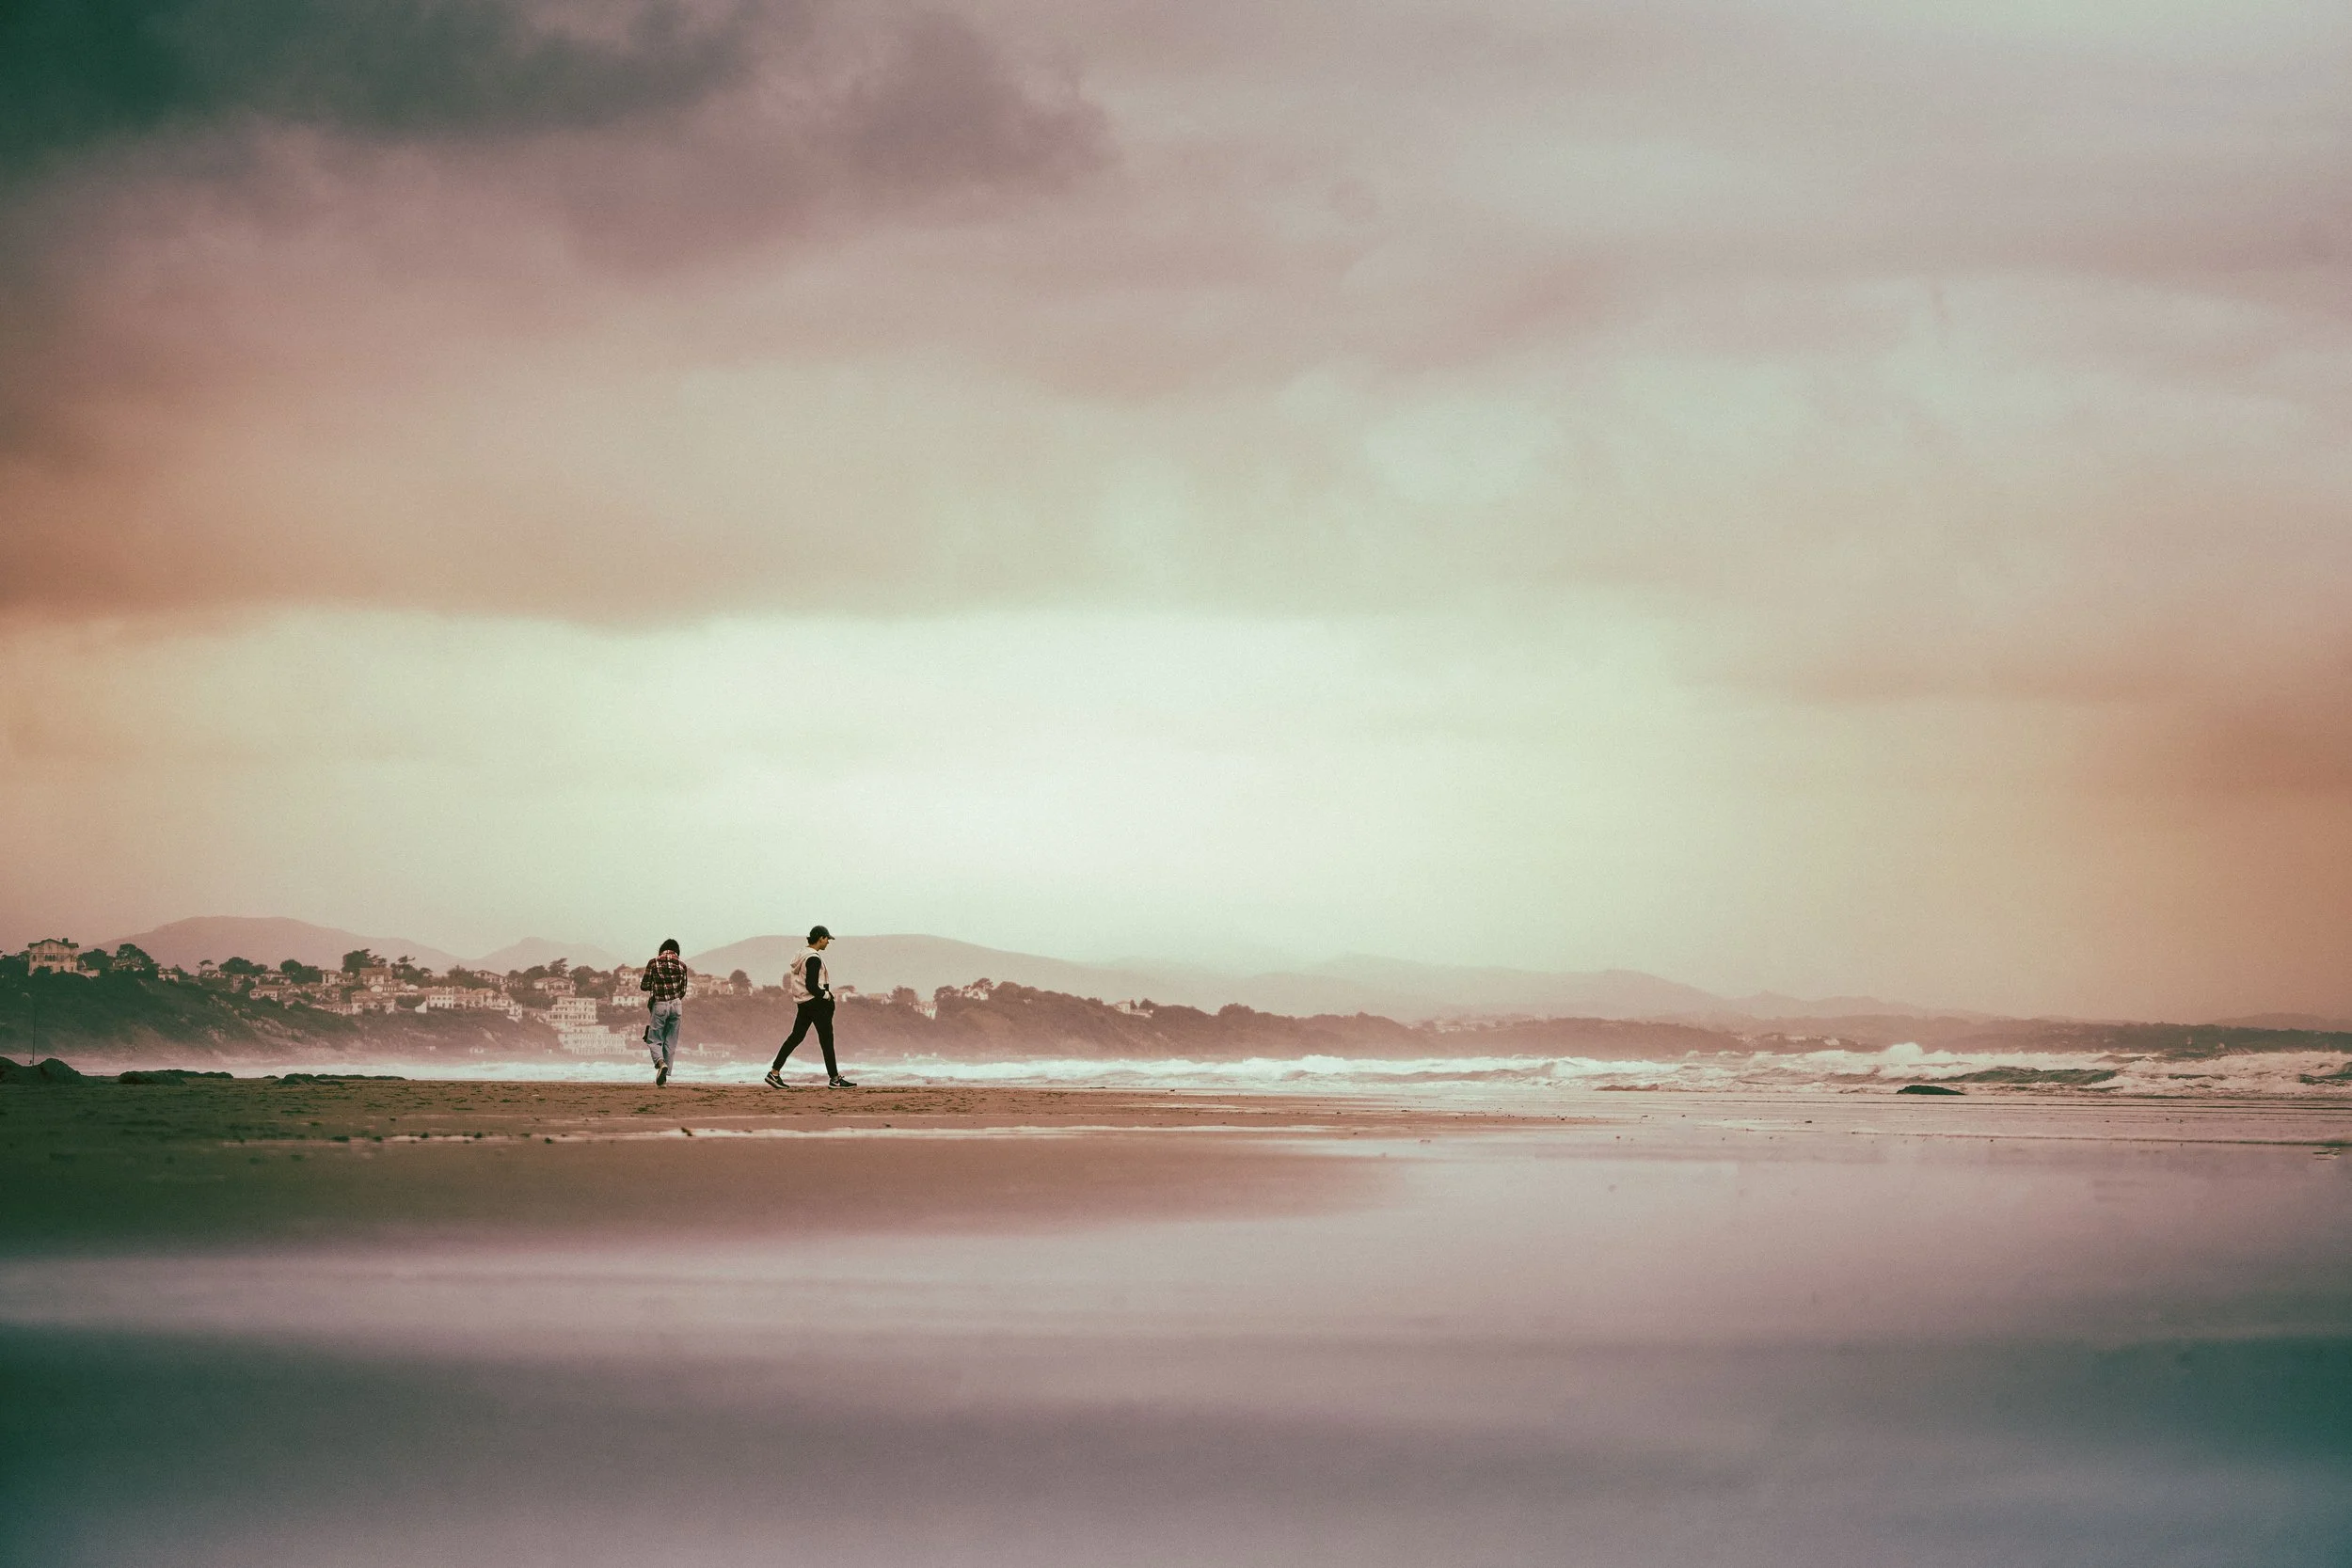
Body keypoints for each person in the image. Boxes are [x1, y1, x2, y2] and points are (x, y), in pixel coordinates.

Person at [766, 926, 854, 1088]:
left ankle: (774, 1072)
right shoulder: (813, 958)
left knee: (796, 1037)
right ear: (820, 938)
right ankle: (835, 1079)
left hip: (803, 1003)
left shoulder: (801, 955)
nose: (828, 942)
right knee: (826, 1040)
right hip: (816, 1003)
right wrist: (827, 995)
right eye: (827, 939)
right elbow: (812, 985)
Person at [639, 938, 689, 1086]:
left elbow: (644, 985)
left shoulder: (653, 962)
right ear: (676, 951)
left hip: (660, 1004)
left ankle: (661, 1065)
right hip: (677, 1005)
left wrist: (657, 984)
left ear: (662, 949)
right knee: (670, 1043)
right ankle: (663, 1078)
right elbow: (683, 991)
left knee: (654, 1040)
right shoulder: (682, 965)